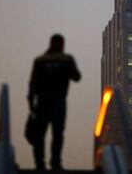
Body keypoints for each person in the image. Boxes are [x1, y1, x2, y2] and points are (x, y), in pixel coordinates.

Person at [27, 34, 81, 171]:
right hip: (58, 101)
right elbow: (77, 77)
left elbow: (32, 83)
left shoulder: (39, 60)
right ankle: (55, 163)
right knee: (57, 133)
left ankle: (40, 164)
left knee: (39, 134)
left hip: (42, 101)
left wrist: (31, 102)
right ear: (62, 44)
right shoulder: (66, 59)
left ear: (50, 43)